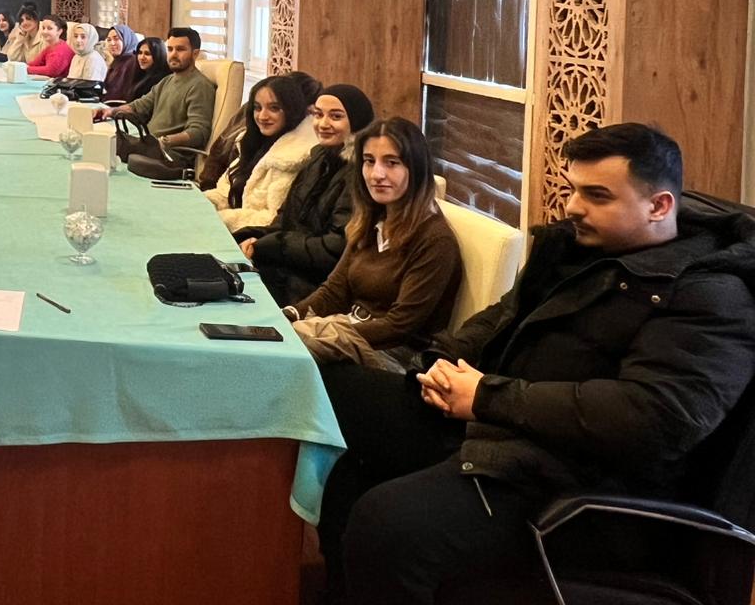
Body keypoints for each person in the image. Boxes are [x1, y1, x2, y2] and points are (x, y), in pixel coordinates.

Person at [317, 124, 755, 605]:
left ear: (659, 206)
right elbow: (501, 316)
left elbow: (655, 417)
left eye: (597, 195)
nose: (573, 207)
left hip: (572, 484)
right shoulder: (573, 251)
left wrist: (486, 397)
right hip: (501, 426)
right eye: (573, 190)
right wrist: (441, 361)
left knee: (384, 522)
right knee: (336, 403)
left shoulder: (708, 295)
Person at [286, 117, 461, 369]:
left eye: (392, 163)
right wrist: (289, 315)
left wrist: (327, 330)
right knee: (272, 338)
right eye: (369, 161)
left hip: (395, 356)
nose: (377, 174)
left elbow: (400, 326)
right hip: (349, 332)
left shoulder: (435, 240)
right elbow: (334, 291)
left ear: (416, 169)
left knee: (287, 352)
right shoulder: (371, 221)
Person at [235, 85, 375, 306]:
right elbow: (285, 219)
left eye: (336, 117)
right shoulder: (318, 157)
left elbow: (335, 249)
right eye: (318, 115)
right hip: (288, 268)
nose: (323, 124)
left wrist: (269, 246)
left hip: (316, 287)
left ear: (357, 122)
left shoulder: (361, 173)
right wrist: (247, 236)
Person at [210, 75, 319, 232]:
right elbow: (223, 193)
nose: (262, 116)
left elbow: (272, 219)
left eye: (274, 108)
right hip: (228, 230)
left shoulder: (297, 156)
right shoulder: (252, 142)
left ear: (292, 110)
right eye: (257, 108)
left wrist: (218, 219)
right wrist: (199, 206)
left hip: (255, 240)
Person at [97, 28, 216, 171]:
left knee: (107, 154)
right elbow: (138, 106)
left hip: (169, 156)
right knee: (102, 142)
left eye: (180, 49)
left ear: (195, 54)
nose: (173, 54)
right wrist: (109, 111)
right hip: (149, 146)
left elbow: (199, 132)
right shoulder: (167, 81)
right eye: (170, 49)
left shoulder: (200, 86)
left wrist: (164, 141)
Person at [98, 24, 139, 100]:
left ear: (126, 39)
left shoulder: (132, 62)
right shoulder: (118, 61)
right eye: (109, 40)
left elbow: (120, 93)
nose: (112, 43)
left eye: (116, 39)